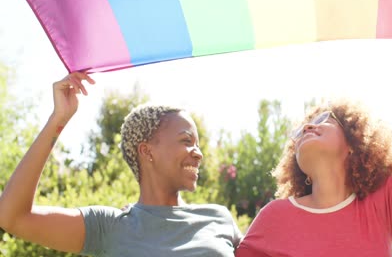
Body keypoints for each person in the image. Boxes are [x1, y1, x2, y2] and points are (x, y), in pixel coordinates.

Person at [235, 28, 392, 256]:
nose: (307, 127)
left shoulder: (385, 203)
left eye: (324, 120)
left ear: (352, 144)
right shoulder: (274, 217)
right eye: (299, 132)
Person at [0, 72, 242, 256]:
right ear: (147, 151)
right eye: (186, 141)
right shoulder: (108, 227)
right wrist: (59, 118)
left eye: (198, 144)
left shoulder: (219, 218)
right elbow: (12, 216)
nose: (198, 153)